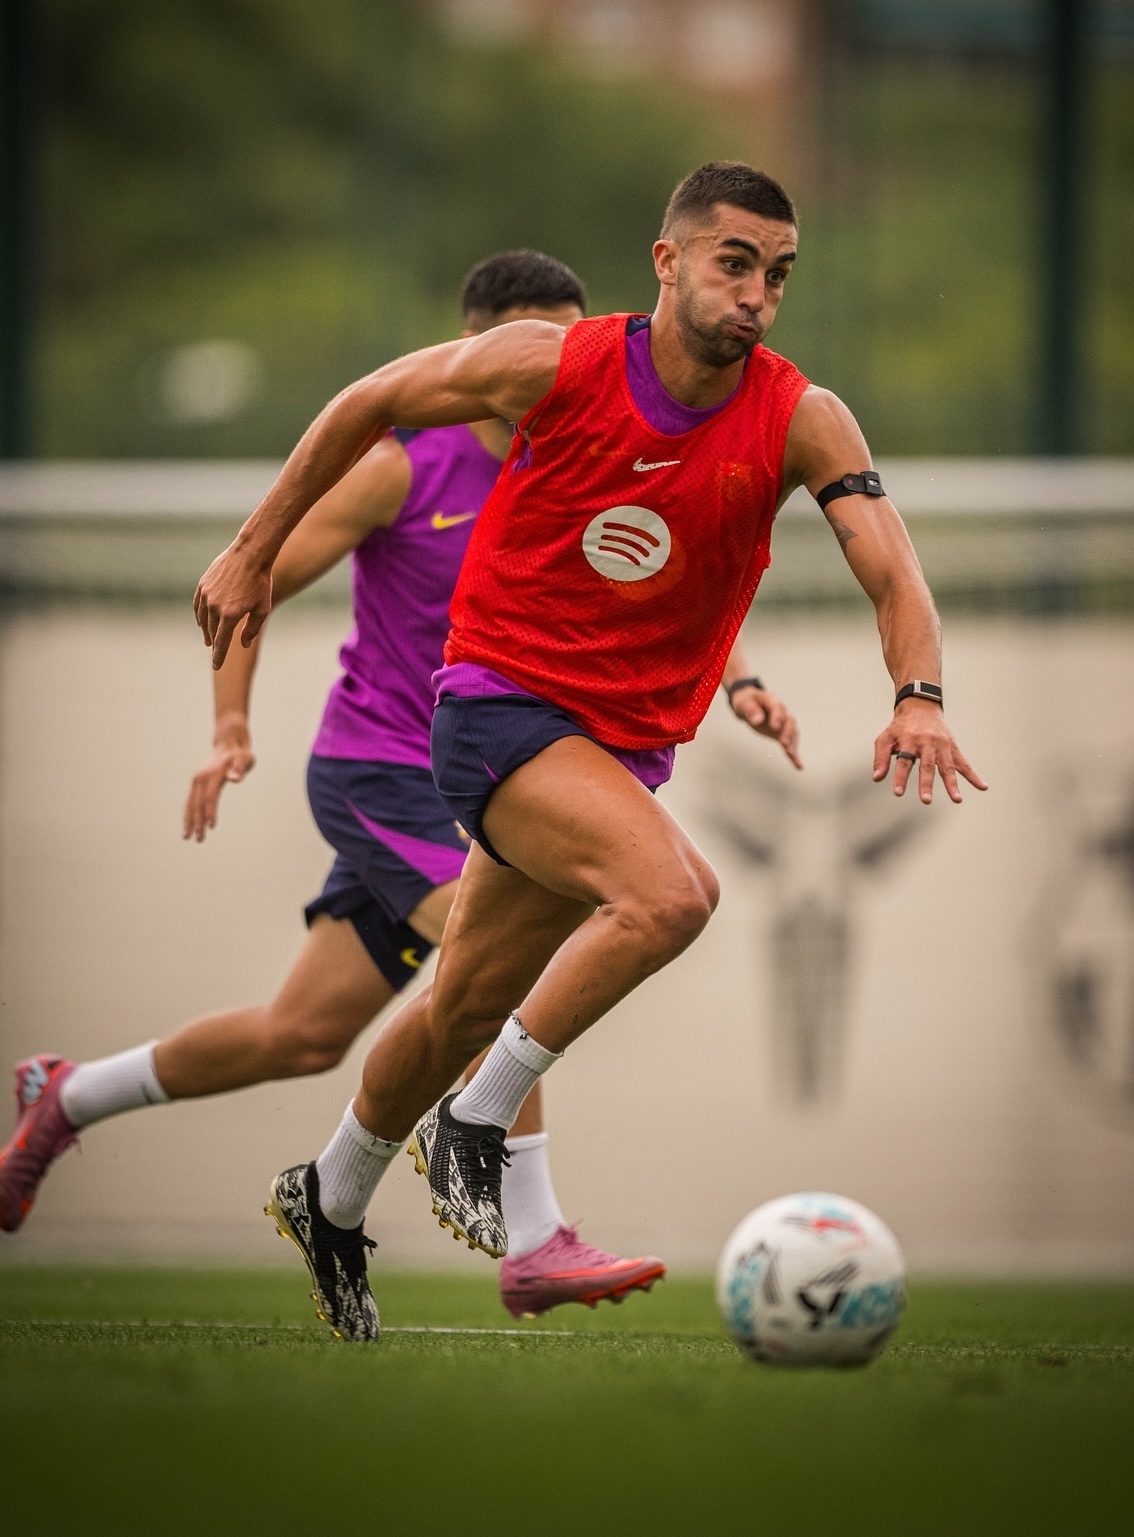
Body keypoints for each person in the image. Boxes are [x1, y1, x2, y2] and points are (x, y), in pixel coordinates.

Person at [194, 162, 984, 1342]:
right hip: (498, 707)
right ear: (668, 262)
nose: (757, 295)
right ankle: (478, 1125)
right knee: (674, 894)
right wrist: (254, 548)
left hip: (618, 748)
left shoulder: (802, 416)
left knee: (462, 1005)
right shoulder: (553, 363)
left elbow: (893, 567)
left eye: (778, 274)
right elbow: (370, 398)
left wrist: (918, 696)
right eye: (734, 264)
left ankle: (331, 1195)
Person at [0, 249, 796, 1325]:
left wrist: (740, 680)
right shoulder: (403, 468)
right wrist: (229, 728)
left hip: (508, 778)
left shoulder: (588, 449)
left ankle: (70, 1093)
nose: (557, 358)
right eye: (534, 338)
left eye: (571, 335)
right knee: (490, 972)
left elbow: (649, 585)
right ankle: (534, 1238)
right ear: (478, 351)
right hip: (388, 769)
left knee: (302, 1034)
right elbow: (253, 581)